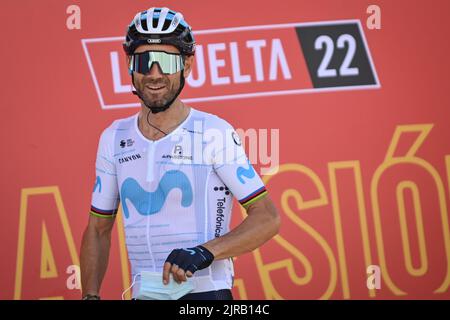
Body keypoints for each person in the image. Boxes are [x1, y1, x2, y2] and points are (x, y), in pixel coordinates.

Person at [80, 7, 280, 300]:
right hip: (144, 295)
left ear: (186, 65)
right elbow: (98, 230)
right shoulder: (114, 137)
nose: (154, 74)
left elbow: (268, 218)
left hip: (205, 295)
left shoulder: (214, 132)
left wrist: (205, 252)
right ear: (129, 65)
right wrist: (90, 295)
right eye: (145, 61)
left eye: (166, 61)